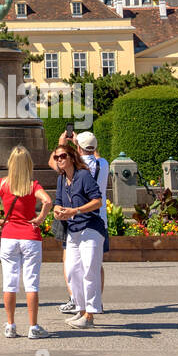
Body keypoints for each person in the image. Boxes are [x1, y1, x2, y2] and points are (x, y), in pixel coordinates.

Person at [0, 145, 52, 338]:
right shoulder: (33, 185)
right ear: (28, 164)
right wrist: (40, 218)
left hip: (9, 235)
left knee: (9, 282)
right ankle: (33, 327)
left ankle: (10, 325)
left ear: (10, 163)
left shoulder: (3, 184)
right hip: (30, 236)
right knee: (31, 283)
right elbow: (47, 201)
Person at [52, 138, 106, 330]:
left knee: (89, 270)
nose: (59, 159)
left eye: (62, 156)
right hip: (73, 230)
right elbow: (58, 201)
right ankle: (81, 310)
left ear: (72, 157)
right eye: (56, 157)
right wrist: (57, 210)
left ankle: (90, 315)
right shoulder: (61, 179)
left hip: (91, 227)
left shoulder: (83, 175)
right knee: (73, 272)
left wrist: (75, 211)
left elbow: (97, 201)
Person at [76, 130, 110, 305]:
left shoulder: (77, 165)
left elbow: (54, 162)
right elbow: (95, 155)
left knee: (78, 264)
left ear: (78, 148)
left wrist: (65, 142)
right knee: (96, 263)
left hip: (80, 217)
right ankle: (98, 300)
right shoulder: (103, 164)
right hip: (100, 218)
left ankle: (81, 301)